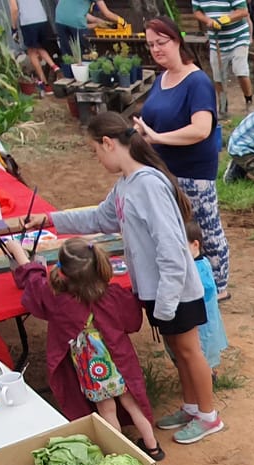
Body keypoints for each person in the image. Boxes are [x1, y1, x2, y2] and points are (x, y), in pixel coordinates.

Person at [33, 112, 225, 445]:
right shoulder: (126, 184)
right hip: (159, 289)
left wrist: (166, 299)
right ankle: (192, 406)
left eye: (95, 151)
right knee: (177, 350)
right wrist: (49, 219)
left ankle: (209, 416)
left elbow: (170, 246)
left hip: (174, 288)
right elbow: (100, 217)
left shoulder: (148, 184)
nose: (97, 158)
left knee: (190, 350)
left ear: (108, 143)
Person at [1, 236, 164, 457]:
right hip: (120, 364)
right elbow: (132, 320)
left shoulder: (59, 299)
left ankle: (116, 454)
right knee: (133, 404)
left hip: (92, 368)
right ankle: (153, 447)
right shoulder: (113, 295)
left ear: (63, 273)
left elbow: (35, 285)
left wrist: (19, 253)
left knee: (107, 411)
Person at [136, 19, 233, 301]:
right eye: (151, 45)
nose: (156, 49)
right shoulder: (161, 80)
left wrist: (157, 137)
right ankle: (187, 282)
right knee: (173, 229)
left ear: (177, 41)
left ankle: (218, 286)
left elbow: (201, 129)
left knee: (204, 228)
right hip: (163, 171)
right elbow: (151, 120)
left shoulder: (197, 82)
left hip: (194, 173)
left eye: (161, 43)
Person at [192, 0, 254, 108]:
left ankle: (248, 100)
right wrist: (208, 20)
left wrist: (224, 20)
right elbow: (197, 11)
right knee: (218, 77)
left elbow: (243, 11)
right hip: (217, 40)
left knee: (240, 71)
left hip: (238, 37)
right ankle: (223, 106)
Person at [186, 220, 229, 375]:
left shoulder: (200, 266)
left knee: (203, 347)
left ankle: (208, 375)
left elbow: (206, 289)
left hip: (204, 319)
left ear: (195, 245)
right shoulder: (198, 263)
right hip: (200, 317)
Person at [54, 0, 127, 62]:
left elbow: (76, 12)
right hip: (74, 20)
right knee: (85, 54)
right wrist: (122, 21)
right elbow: (106, 13)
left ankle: (69, 75)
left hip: (59, 18)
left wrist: (97, 20)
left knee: (68, 53)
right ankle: (84, 74)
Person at [12, 0, 60, 91]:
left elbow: (14, 9)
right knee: (40, 47)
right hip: (42, 18)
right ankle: (55, 67)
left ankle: (45, 84)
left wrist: (13, 28)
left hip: (28, 22)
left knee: (32, 51)